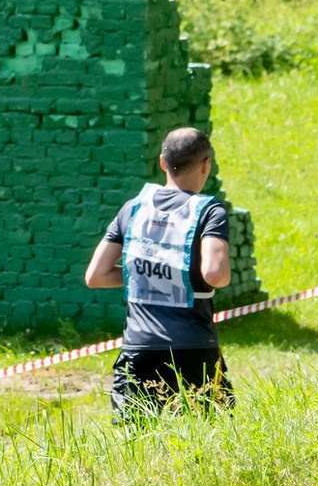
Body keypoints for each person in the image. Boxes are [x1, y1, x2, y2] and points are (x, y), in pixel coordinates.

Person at [86, 127, 234, 415]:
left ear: (163, 163)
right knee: (209, 436)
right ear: (206, 165)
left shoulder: (133, 209)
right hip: (194, 345)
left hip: (139, 347)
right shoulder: (209, 211)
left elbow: (96, 276)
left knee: (134, 437)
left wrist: (151, 274)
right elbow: (215, 274)